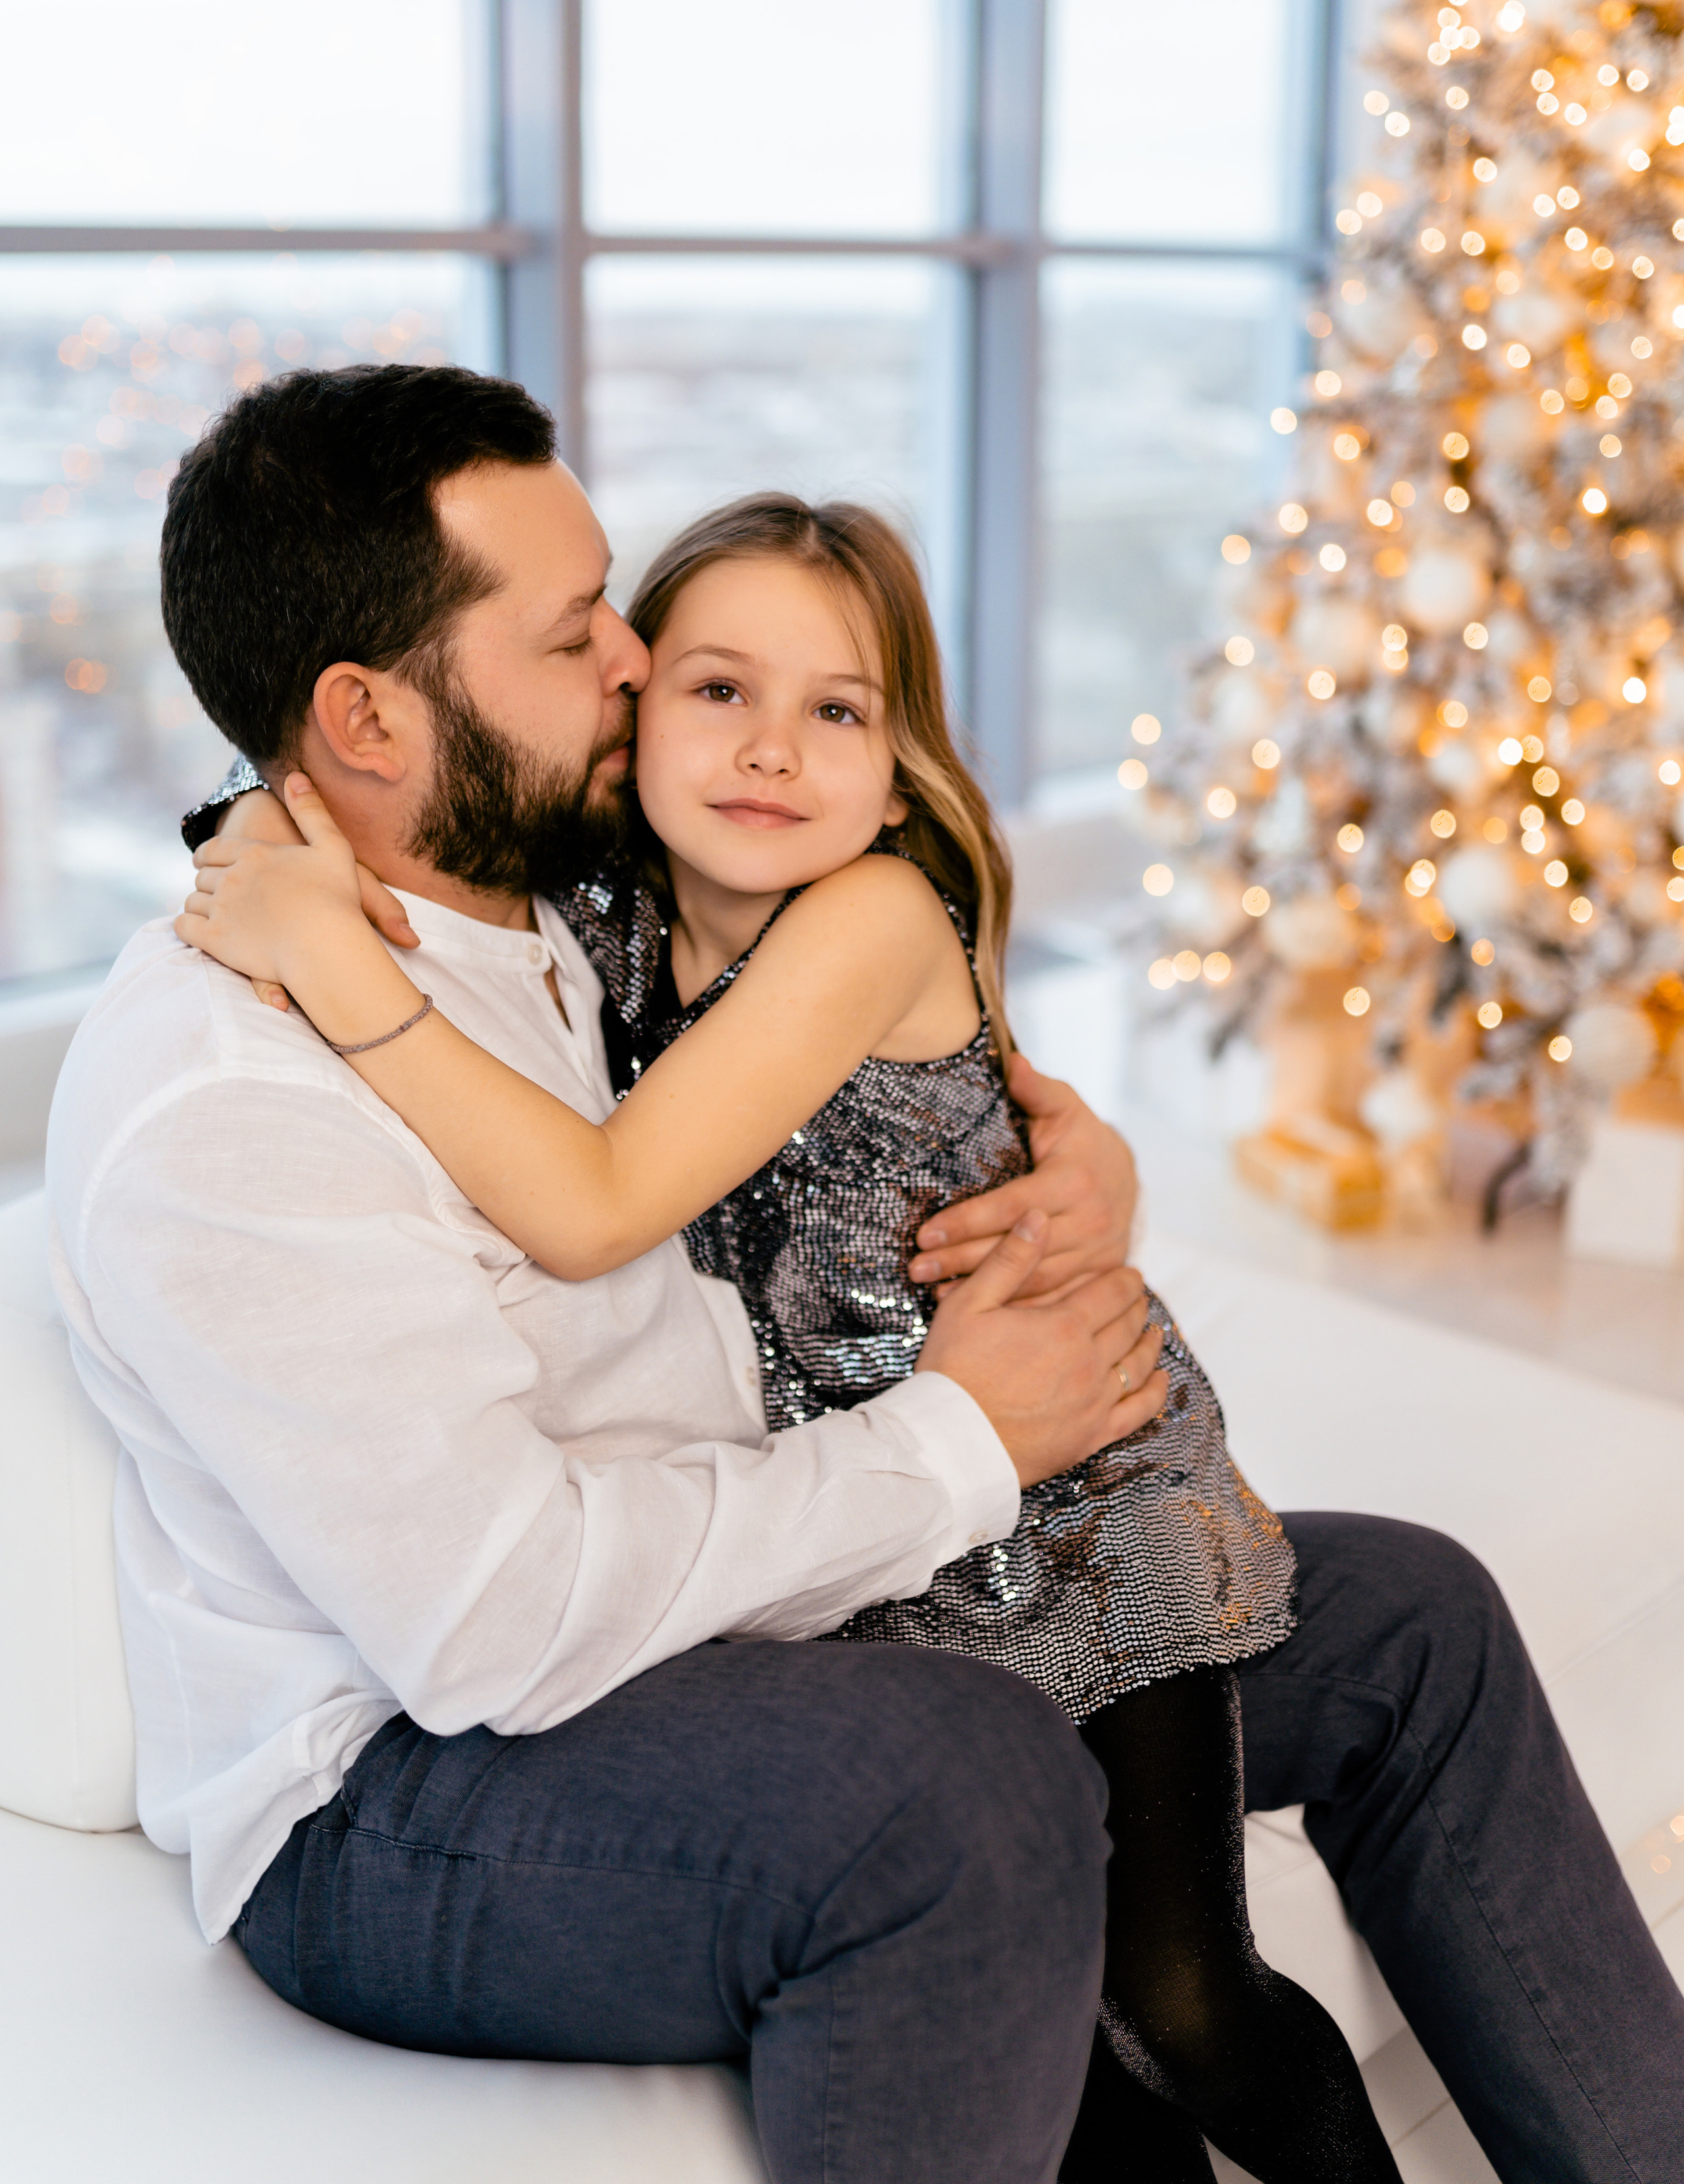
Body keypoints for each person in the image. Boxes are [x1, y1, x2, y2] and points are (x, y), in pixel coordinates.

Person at [47, 364, 1684, 2184]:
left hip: (763, 1595)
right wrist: (966, 1440)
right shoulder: (230, 1104)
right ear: (364, 718)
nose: (635, 663)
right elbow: (498, 1625)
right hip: (413, 1783)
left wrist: (1085, 1167)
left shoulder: (559, 861)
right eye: (578, 627)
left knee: (1415, 1624)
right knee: (968, 1784)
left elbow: (887, 1022)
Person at [178, 489, 1401, 2183]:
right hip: (875, 1535)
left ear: (900, 773)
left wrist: (325, 958)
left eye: (837, 712)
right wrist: (258, 839)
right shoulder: (591, 906)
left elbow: (597, 1200)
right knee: (1076, 2070)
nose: (770, 752)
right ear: (634, 720)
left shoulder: (872, 917)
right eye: (717, 691)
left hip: (1074, 1505)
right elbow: (396, 794)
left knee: (1179, 1997)